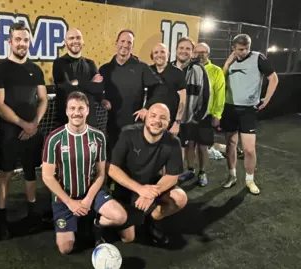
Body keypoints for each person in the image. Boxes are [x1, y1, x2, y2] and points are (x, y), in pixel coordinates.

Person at [42, 91, 127, 254]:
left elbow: (101, 174)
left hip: (92, 193)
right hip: (64, 198)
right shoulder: (54, 138)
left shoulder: (98, 137)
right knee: (65, 249)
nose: (76, 112)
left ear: (87, 110)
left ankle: (95, 223)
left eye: (81, 108)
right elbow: (47, 176)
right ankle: (76, 219)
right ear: (66, 111)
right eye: (72, 108)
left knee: (120, 217)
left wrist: (88, 199)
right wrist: (69, 202)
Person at [0, 22, 49, 239]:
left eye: (25, 40)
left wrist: (34, 123)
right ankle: (2, 220)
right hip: (9, 133)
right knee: (5, 174)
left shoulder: (36, 69)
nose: (22, 43)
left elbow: (43, 99)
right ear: (9, 41)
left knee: (31, 172)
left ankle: (33, 213)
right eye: (18, 39)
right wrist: (23, 124)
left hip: (32, 131)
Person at [108, 103, 187, 245]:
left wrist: (151, 193)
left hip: (151, 185)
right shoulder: (128, 134)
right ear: (145, 118)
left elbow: (172, 176)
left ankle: (150, 221)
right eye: (153, 116)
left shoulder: (173, 142)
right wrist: (140, 189)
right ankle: (123, 218)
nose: (157, 121)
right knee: (128, 238)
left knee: (180, 198)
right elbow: (112, 169)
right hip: (126, 188)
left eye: (163, 118)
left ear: (168, 123)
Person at [221, 34, 278, 195]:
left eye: (247, 48)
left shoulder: (258, 58)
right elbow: (220, 80)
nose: (244, 51)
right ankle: (231, 176)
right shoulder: (230, 62)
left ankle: (249, 179)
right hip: (229, 108)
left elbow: (273, 79)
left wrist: (266, 100)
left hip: (247, 110)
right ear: (233, 48)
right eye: (240, 49)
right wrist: (226, 63)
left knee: (249, 150)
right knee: (231, 145)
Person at [99, 30, 166, 155]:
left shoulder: (141, 68)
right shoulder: (105, 69)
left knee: (132, 161)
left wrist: (147, 108)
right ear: (116, 43)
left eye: (129, 42)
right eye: (122, 41)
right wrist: (102, 99)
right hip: (110, 127)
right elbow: (96, 91)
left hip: (134, 126)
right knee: (112, 160)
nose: (125, 45)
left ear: (132, 46)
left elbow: (159, 88)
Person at [171, 37, 211, 184]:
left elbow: (206, 93)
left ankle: (201, 173)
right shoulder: (170, 68)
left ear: (192, 52)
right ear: (176, 50)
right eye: (181, 48)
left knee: (198, 147)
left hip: (192, 118)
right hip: (174, 119)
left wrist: (198, 115)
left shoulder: (198, 69)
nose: (184, 51)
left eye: (188, 48)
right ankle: (181, 174)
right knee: (178, 147)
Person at [189, 42, 226, 186]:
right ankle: (190, 170)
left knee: (203, 146)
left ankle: (202, 172)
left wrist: (217, 114)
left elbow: (220, 94)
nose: (200, 54)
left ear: (208, 54)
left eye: (203, 52)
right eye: (197, 51)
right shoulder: (190, 69)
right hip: (190, 115)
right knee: (189, 144)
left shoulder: (216, 71)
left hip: (206, 115)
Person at [53, 28, 104, 127]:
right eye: (71, 38)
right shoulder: (59, 63)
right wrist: (90, 84)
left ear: (82, 41)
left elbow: (99, 89)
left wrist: (78, 82)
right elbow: (66, 88)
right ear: (65, 42)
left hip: (89, 122)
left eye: (78, 38)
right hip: (66, 122)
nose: (75, 41)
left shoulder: (90, 64)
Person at [146, 43, 187, 134]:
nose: (159, 55)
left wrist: (177, 122)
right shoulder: (147, 71)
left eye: (162, 52)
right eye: (156, 52)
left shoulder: (178, 73)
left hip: (170, 123)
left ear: (168, 54)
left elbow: (183, 100)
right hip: (150, 122)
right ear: (152, 56)